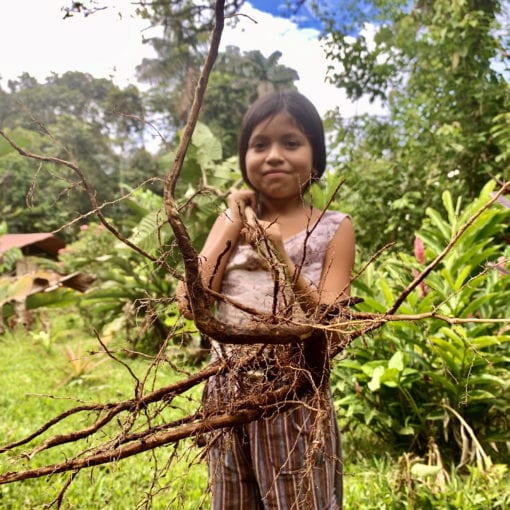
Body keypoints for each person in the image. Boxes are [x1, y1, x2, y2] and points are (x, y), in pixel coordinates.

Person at [177, 90, 355, 509]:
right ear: (245, 158)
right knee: (233, 499)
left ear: (316, 155)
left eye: (291, 143)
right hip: (225, 391)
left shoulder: (334, 227)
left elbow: (335, 327)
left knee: (298, 500)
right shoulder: (231, 223)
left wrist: (278, 253)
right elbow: (190, 302)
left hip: (294, 392)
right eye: (260, 145)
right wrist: (232, 221)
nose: (274, 155)